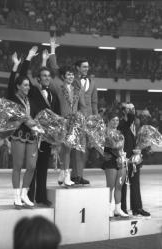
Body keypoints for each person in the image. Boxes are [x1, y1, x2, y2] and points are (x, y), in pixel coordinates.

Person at [23, 48, 60, 207]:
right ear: (38, 79)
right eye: (43, 76)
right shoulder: (33, 92)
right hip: (34, 135)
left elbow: (57, 116)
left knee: (43, 167)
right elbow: (23, 76)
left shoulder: (54, 95)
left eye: (48, 76)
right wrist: (29, 58)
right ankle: (29, 196)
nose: (46, 78)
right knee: (32, 167)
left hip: (47, 137)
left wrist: (56, 135)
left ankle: (41, 196)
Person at [47, 40, 87, 186]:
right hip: (63, 121)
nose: (71, 77)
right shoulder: (58, 86)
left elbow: (82, 106)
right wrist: (52, 50)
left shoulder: (77, 90)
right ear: (63, 76)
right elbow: (53, 68)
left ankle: (64, 174)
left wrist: (81, 117)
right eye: (68, 75)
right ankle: (65, 175)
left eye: (72, 75)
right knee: (65, 149)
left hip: (74, 123)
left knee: (68, 149)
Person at [7, 50, 39, 208]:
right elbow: (11, 81)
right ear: (18, 86)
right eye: (25, 85)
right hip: (18, 135)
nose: (28, 87)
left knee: (32, 166)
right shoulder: (13, 97)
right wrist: (18, 65)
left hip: (32, 135)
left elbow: (25, 77)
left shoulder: (30, 99)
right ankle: (16, 196)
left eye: (28, 85)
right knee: (18, 166)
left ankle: (25, 194)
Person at [118, 103, 150, 217]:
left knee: (135, 184)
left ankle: (137, 208)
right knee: (123, 185)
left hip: (135, 158)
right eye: (130, 109)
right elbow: (127, 123)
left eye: (134, 108)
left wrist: (143, 149)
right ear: (124, 111)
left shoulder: (137, 123)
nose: (133, 110)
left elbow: (141, 139)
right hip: (124, 158)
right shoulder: (121, 123)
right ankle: (122, 208)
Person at [69, 56, 98, 184]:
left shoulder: (92, 82)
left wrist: (95, 118)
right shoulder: (72, 80)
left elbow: (94, 102)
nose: (87, 68)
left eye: (87, 66)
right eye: (84, 66)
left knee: (83, 148)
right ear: (78, 68)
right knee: (76, 148)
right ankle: (74, 175)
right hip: (76, 117)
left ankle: (79, 175)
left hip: (89, 118)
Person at [102, 112, 129, 218]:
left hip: (120, 160)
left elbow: (120, 146)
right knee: (110, 187)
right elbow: (101, 146)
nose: (115, 122)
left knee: (119, 186)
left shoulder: (120, 133)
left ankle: (118, 209)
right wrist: (102, 154)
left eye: (117, 120)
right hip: (110, 161)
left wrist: (121, 153)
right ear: (108, 121)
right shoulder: (104, 132)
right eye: (113, 120)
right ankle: (109, 209)